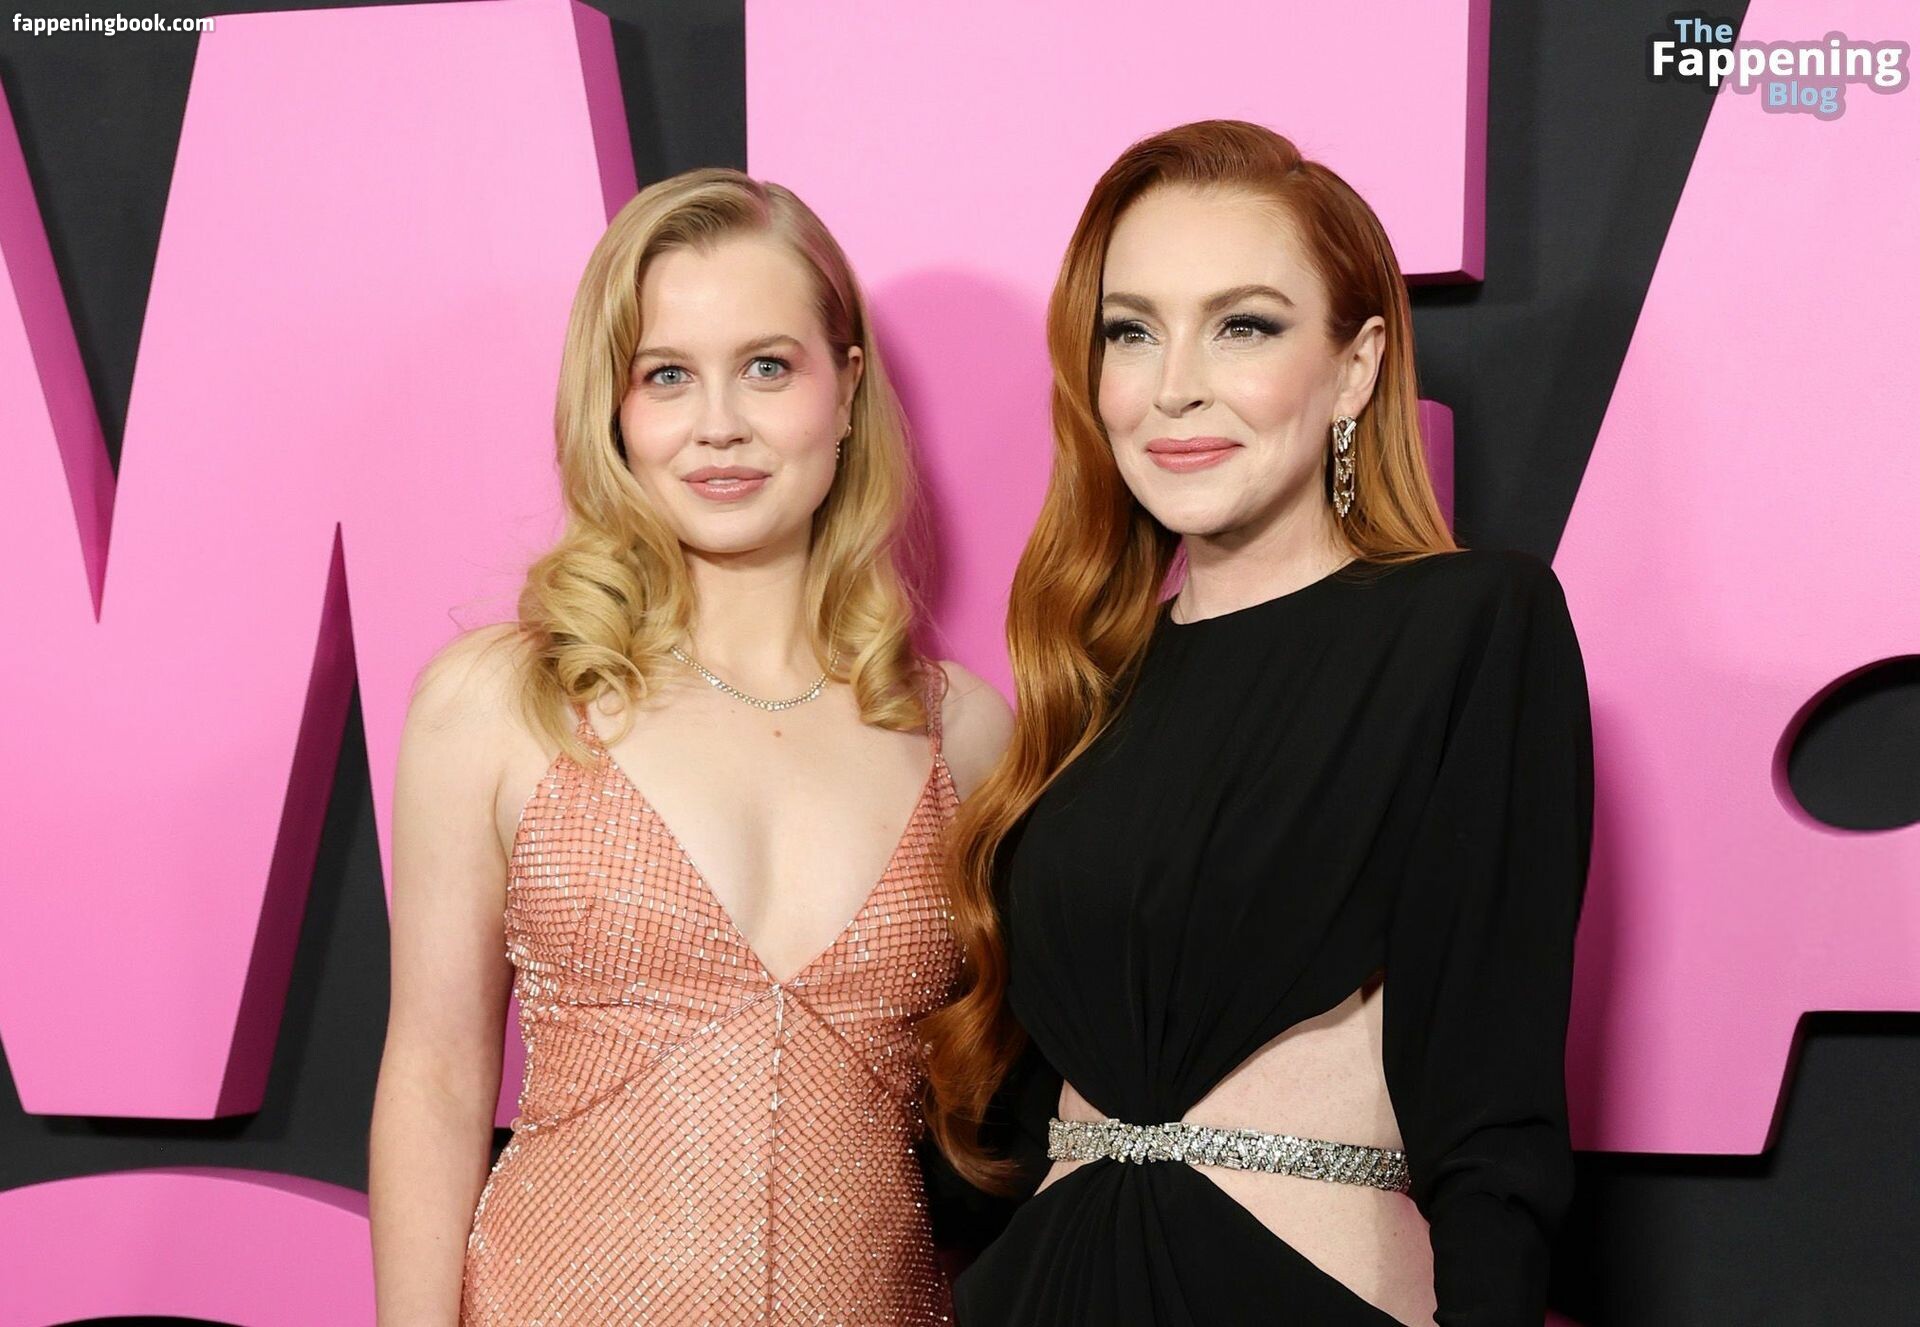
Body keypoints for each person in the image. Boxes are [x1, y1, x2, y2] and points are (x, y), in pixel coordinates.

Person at [922, 121, 1595, 1325]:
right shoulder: (1090, 683)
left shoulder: (1468, 626)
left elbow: (1492, 1104)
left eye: (1243, 325)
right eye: (1131, 331)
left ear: (1356, 367)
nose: (1174, 384)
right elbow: (1009, 1123)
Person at [368, 167, 1014, 1325]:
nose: (720, 423)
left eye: (768, 366)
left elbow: (997, 1112)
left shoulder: (961, 732)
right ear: (615, 410)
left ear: (846, 387)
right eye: (667, 375)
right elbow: (436, 1077)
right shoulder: (502, 704)